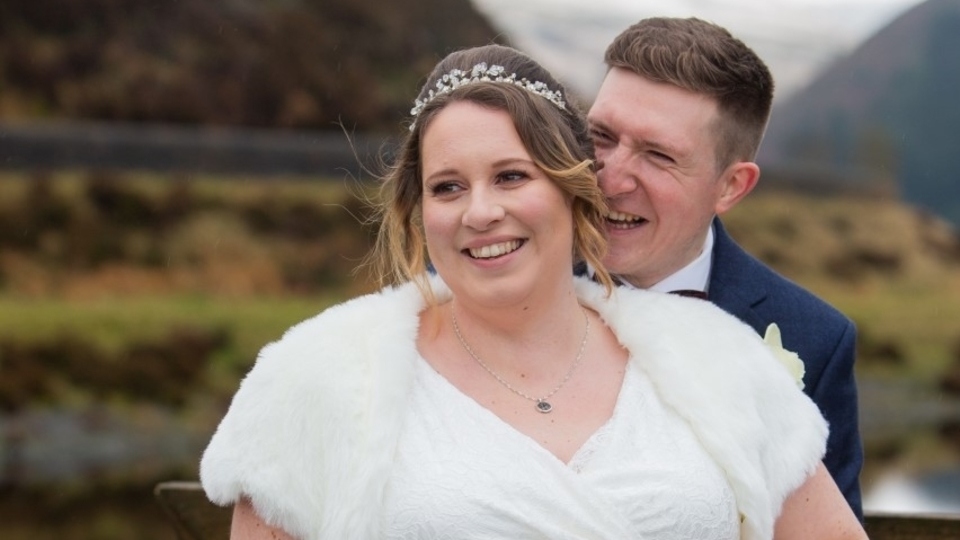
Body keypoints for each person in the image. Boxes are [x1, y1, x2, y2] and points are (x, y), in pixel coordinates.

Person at [199, 44, 866, 539]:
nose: (480, 212)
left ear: (573, 189)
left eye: (512, 176)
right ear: (417, 209)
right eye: (448, 187)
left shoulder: (714, 357)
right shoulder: (320, 373)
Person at [585, 17, 864, 519]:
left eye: (657, 155)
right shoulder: (496, 280)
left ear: (732, 186)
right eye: (601, 136)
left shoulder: (815, 340)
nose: (611, 178)